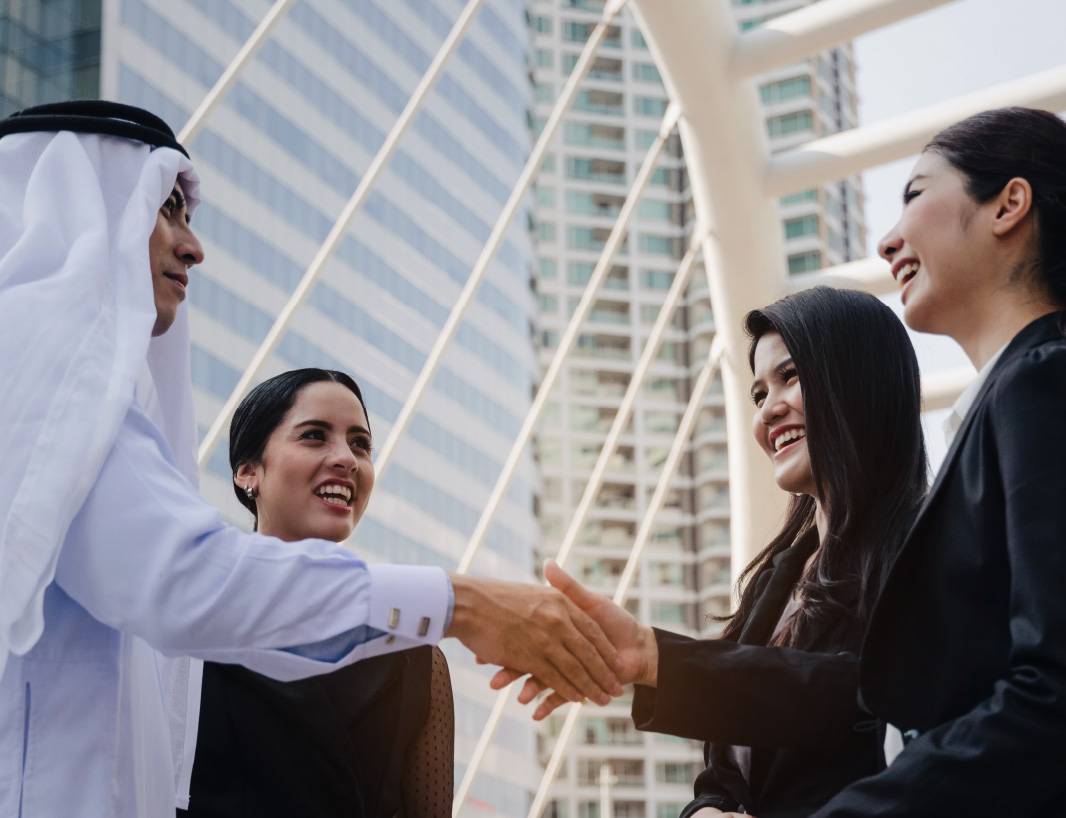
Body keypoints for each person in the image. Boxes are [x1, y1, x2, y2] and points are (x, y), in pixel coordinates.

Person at [0, 101, 621, 818]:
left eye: (361, 443)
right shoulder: (39, 379)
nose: (193, 246)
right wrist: (466, 604)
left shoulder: (395, 656)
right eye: (167, 208)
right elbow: (187, 582)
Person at [497, 287, 927, 817]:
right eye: (758, 395)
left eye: (790, 377)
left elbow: (862, 696)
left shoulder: (926, 549)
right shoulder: (777, 582)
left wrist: (654, 657)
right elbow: (725, 774)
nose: (769, 411)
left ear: (859, 380)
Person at [805, 106, 1066, 816]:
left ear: (1009, 204)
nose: (888, 242)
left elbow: (1054, 689)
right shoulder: (1008, 399)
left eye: (915, 194)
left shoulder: (1043, 385)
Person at [183, 368, 453, 817]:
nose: (346, 458)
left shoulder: (416, 656)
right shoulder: (187, 620)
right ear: (247, 472)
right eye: (314, 436)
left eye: (360, 444)